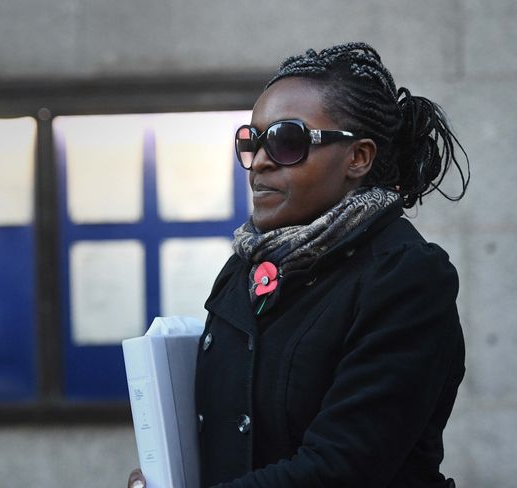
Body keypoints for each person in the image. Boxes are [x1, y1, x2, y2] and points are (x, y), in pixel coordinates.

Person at [129, 41, 469, 488]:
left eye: (288, 141)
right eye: (252, 142)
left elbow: (342, 468)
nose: (260, 163)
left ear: (358, 157)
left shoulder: (405, 278)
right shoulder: (244, 270)